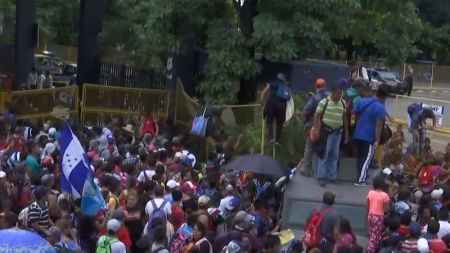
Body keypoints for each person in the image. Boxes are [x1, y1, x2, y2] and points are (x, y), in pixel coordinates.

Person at [312, 78, 348, 186]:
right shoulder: (325, 102)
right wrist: (316, 129)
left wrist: (346, 132)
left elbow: (344, 117)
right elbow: (316, 115)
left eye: (341, 93)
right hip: (326, 132)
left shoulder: (342, 102)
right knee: (324, 154)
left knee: (335, 155)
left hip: (338, 133)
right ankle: (321, 176)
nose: (340, 95)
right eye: (338, 93)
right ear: (332, 92)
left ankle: (332, 176)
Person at [353, 85, 387, 186]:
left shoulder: (363, 101)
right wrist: (377, 139)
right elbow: (378, 125)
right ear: (385, 97)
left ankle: (360, 175)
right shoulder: (380, 108)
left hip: (358, 133)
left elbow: (354, 111)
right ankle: (361, 179)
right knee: (367, 158)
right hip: (369, 136)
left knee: (360, 156)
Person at [301, 78, 330, 177]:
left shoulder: (315, 98)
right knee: (325, 149)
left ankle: (307, 170)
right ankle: (322, 172)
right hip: (327, 127)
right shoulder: (331, 96)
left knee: (309, 147)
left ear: (316, 86)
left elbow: (306, 110)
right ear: (325, 85)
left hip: (314, 126)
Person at [261, 73, 291, 145]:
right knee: (279, 124)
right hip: (282, 107)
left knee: (269, 120)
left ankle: (270, 138)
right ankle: (277, 140)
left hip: (272, 104)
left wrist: (262, 102)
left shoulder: (273, 83)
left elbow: (264, 92)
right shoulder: (285, 87)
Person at [366, 175, 390, 253]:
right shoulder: (385, 195)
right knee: (376, 234)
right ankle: (370, 250)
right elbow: (386, 209)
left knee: (372, 233)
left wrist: (367, 215)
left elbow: (367, 205)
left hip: (370, 215)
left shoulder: (370, 192)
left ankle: (374, 247)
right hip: (379, 216)